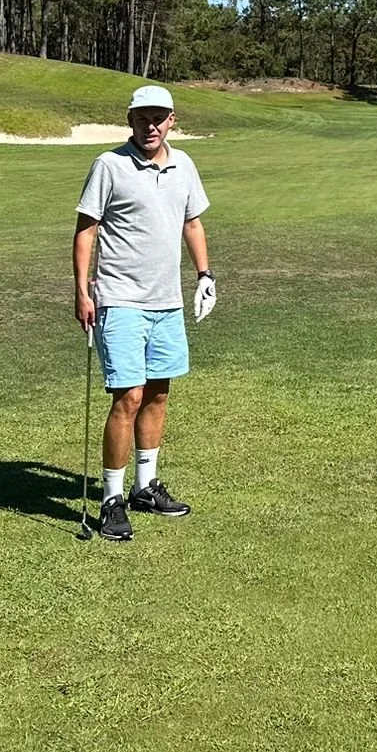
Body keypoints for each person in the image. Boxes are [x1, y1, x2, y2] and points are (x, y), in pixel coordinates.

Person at [73, 84, 216, 542]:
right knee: (128, 397)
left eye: (159, 118)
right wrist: (82, 291)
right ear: (130, 120)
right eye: (142, 118)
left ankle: (144, 487)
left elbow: (192, 222)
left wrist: (205, 275)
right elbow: (86, 230)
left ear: (172, 120)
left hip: (167, 302)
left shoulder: (184, 165)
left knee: (157, 394)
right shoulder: (109, 165)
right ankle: (111, 499)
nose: (150, 126)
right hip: (120, 299)